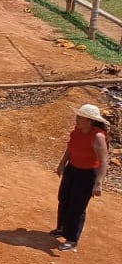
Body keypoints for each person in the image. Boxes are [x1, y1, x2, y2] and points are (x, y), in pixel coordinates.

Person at [53, 103, 109, 251]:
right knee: (64, 198)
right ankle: (61, 228)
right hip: (72, 169)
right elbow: (70, 149)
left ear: (89, 121)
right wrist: (61, 165)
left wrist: (98, 183)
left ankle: (71, 239)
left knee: (77, 206)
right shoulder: (77, 131)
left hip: (87, 174)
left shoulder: (97, 136)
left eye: (80, 117)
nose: (76, 119)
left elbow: (104, 160)